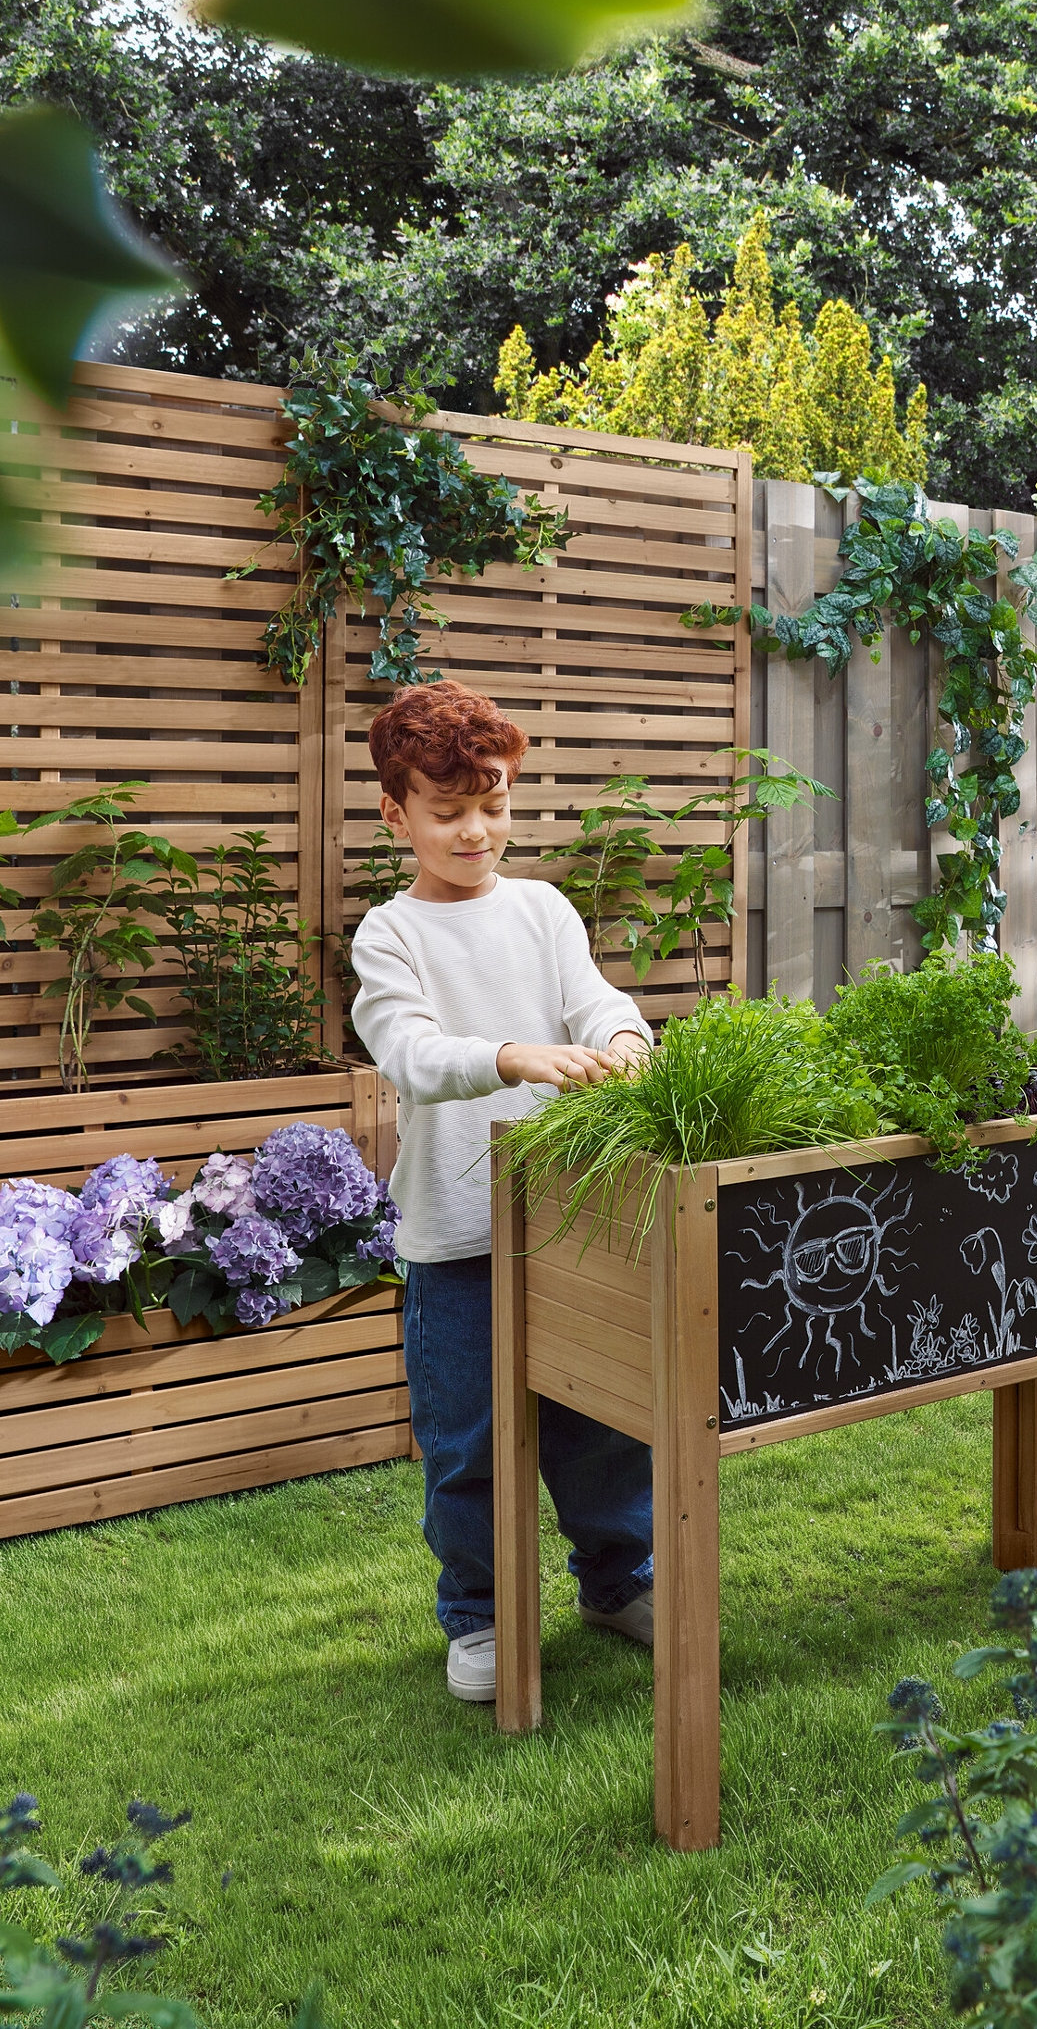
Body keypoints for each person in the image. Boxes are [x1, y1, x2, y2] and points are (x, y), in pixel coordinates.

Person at [350, 681, 658, 1701]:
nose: (476, 830)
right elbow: (409, 1051)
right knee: (468, 1441)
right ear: (397, 814)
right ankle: (480, 1616)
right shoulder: (390, 934)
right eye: (448, 811)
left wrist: (621, 1036)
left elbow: (596, 1000)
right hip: (456, 1238)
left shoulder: (542, 909)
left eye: (493, 804)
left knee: (602, 1425)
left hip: (570, 1223)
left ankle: (619, 1582)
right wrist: (514, 1057)